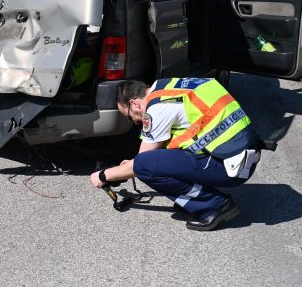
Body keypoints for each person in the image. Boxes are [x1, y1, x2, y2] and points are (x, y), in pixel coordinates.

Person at [90, 77, 262, 231]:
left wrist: (104, 176)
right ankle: (197, 199)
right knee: (154, 159)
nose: (134, 121)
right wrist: (130, 165)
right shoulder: (174, 88)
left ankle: (213, 205)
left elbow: (142, 163)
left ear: (135, 103)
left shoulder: (158, 108)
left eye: (129, 116)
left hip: (230, 168)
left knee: (145, 166)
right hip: (242, 156)